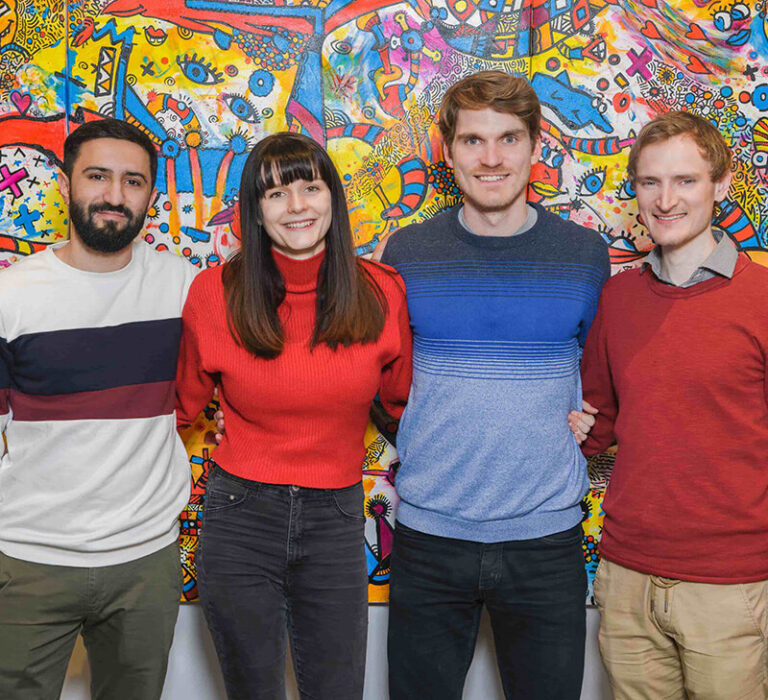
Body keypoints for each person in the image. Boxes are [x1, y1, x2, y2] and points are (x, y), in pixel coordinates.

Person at [374, 71, 610, 700]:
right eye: (473, 140)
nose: (492, 158)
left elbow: (609, 368)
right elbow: (380, 376)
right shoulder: (409, 252)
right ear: (447, 152)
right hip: (430, 536)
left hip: (546, 540)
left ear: (537, 148)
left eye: (509, 138)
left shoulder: (584, 254)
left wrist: (589, 418)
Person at [175, 132, 412, 700]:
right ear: (255, 211)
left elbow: (408, 406)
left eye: (311, 187)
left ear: (334, 196)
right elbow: (175, 409)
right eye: (277, 194)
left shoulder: (381, 292)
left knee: (337, 689)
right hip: (238, 516)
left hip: (333, 518)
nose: (298, 206)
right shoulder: (214, 294)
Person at [572, 110, 768, 699]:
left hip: (729, 585)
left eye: (685, 180)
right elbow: (598, 423)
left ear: (721, 184)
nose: (666, 199)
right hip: (626, 575)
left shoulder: (760, 298)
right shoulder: (620, 296)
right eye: (650, 182)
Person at [0, 119, 196, 699]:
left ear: (151, 197)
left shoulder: (185, 288)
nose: (114, 196)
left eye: (132, 181)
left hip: (145, 559)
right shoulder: (13, 296)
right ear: (65, 185)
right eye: (97, 176)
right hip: (30, 557)